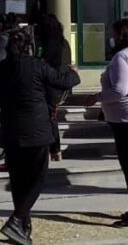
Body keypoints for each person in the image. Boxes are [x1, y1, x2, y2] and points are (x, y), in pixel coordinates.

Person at [0, 28, 80, 245]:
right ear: (28, 46)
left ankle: (23, 228)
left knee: (18, 180)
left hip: (11, 129)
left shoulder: (1, 68)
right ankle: (17, 220)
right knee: (37, 176)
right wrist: (74, 72)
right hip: (36, 129)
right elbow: (62, 81)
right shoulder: (37, 65)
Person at [85, 18, 128, 228]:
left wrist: (96, 97)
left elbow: (119, 90)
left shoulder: (122, 57)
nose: (112, 37)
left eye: (114, 33)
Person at [36, 14, 73, 162]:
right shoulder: (63, 42)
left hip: (50, 86)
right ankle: (54, 150)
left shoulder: (50, 43)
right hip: (58, 86)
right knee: (51, 117)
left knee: (50, 118)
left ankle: (54, 149)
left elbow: (44, 63)